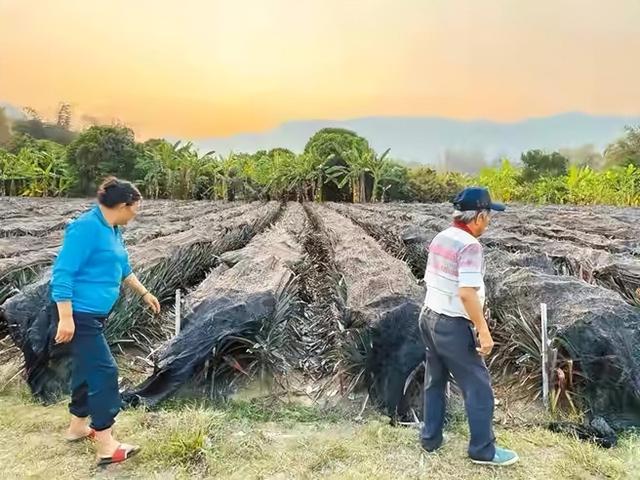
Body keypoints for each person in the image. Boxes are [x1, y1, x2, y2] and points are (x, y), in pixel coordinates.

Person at [51, 177, 161, 467]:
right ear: (123, 205)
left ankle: (77, 426)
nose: (137, 213)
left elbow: (122, 267)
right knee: (104, 372)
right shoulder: (85, 229)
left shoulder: (112, 229)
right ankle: (106, 445)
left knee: (87, 370)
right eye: (136, 207)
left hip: (94, 315)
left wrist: (145, 293)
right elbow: (62, 274)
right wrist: (65, 318)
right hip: (80, 315)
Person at [419, 186, 518, 466]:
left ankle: (430, 438)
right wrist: (483, 330)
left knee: (435, 381)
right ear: (479, 217)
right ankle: (482, 451)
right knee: (478, 387)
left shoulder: (442, 236)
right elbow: (466, 293)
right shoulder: (470, 246)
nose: (489, 221)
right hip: (451, 323)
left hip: (429, 316)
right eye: (488, 215)